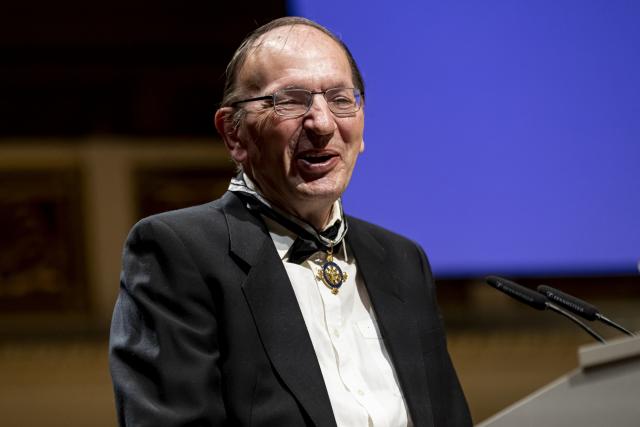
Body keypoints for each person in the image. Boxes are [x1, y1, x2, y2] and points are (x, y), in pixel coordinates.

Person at [109, 16, 471, 427]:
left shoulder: (404, 261)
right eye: (291, 101)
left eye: (340, 99)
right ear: (234, 134)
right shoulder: (178, 252)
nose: (321, 123)